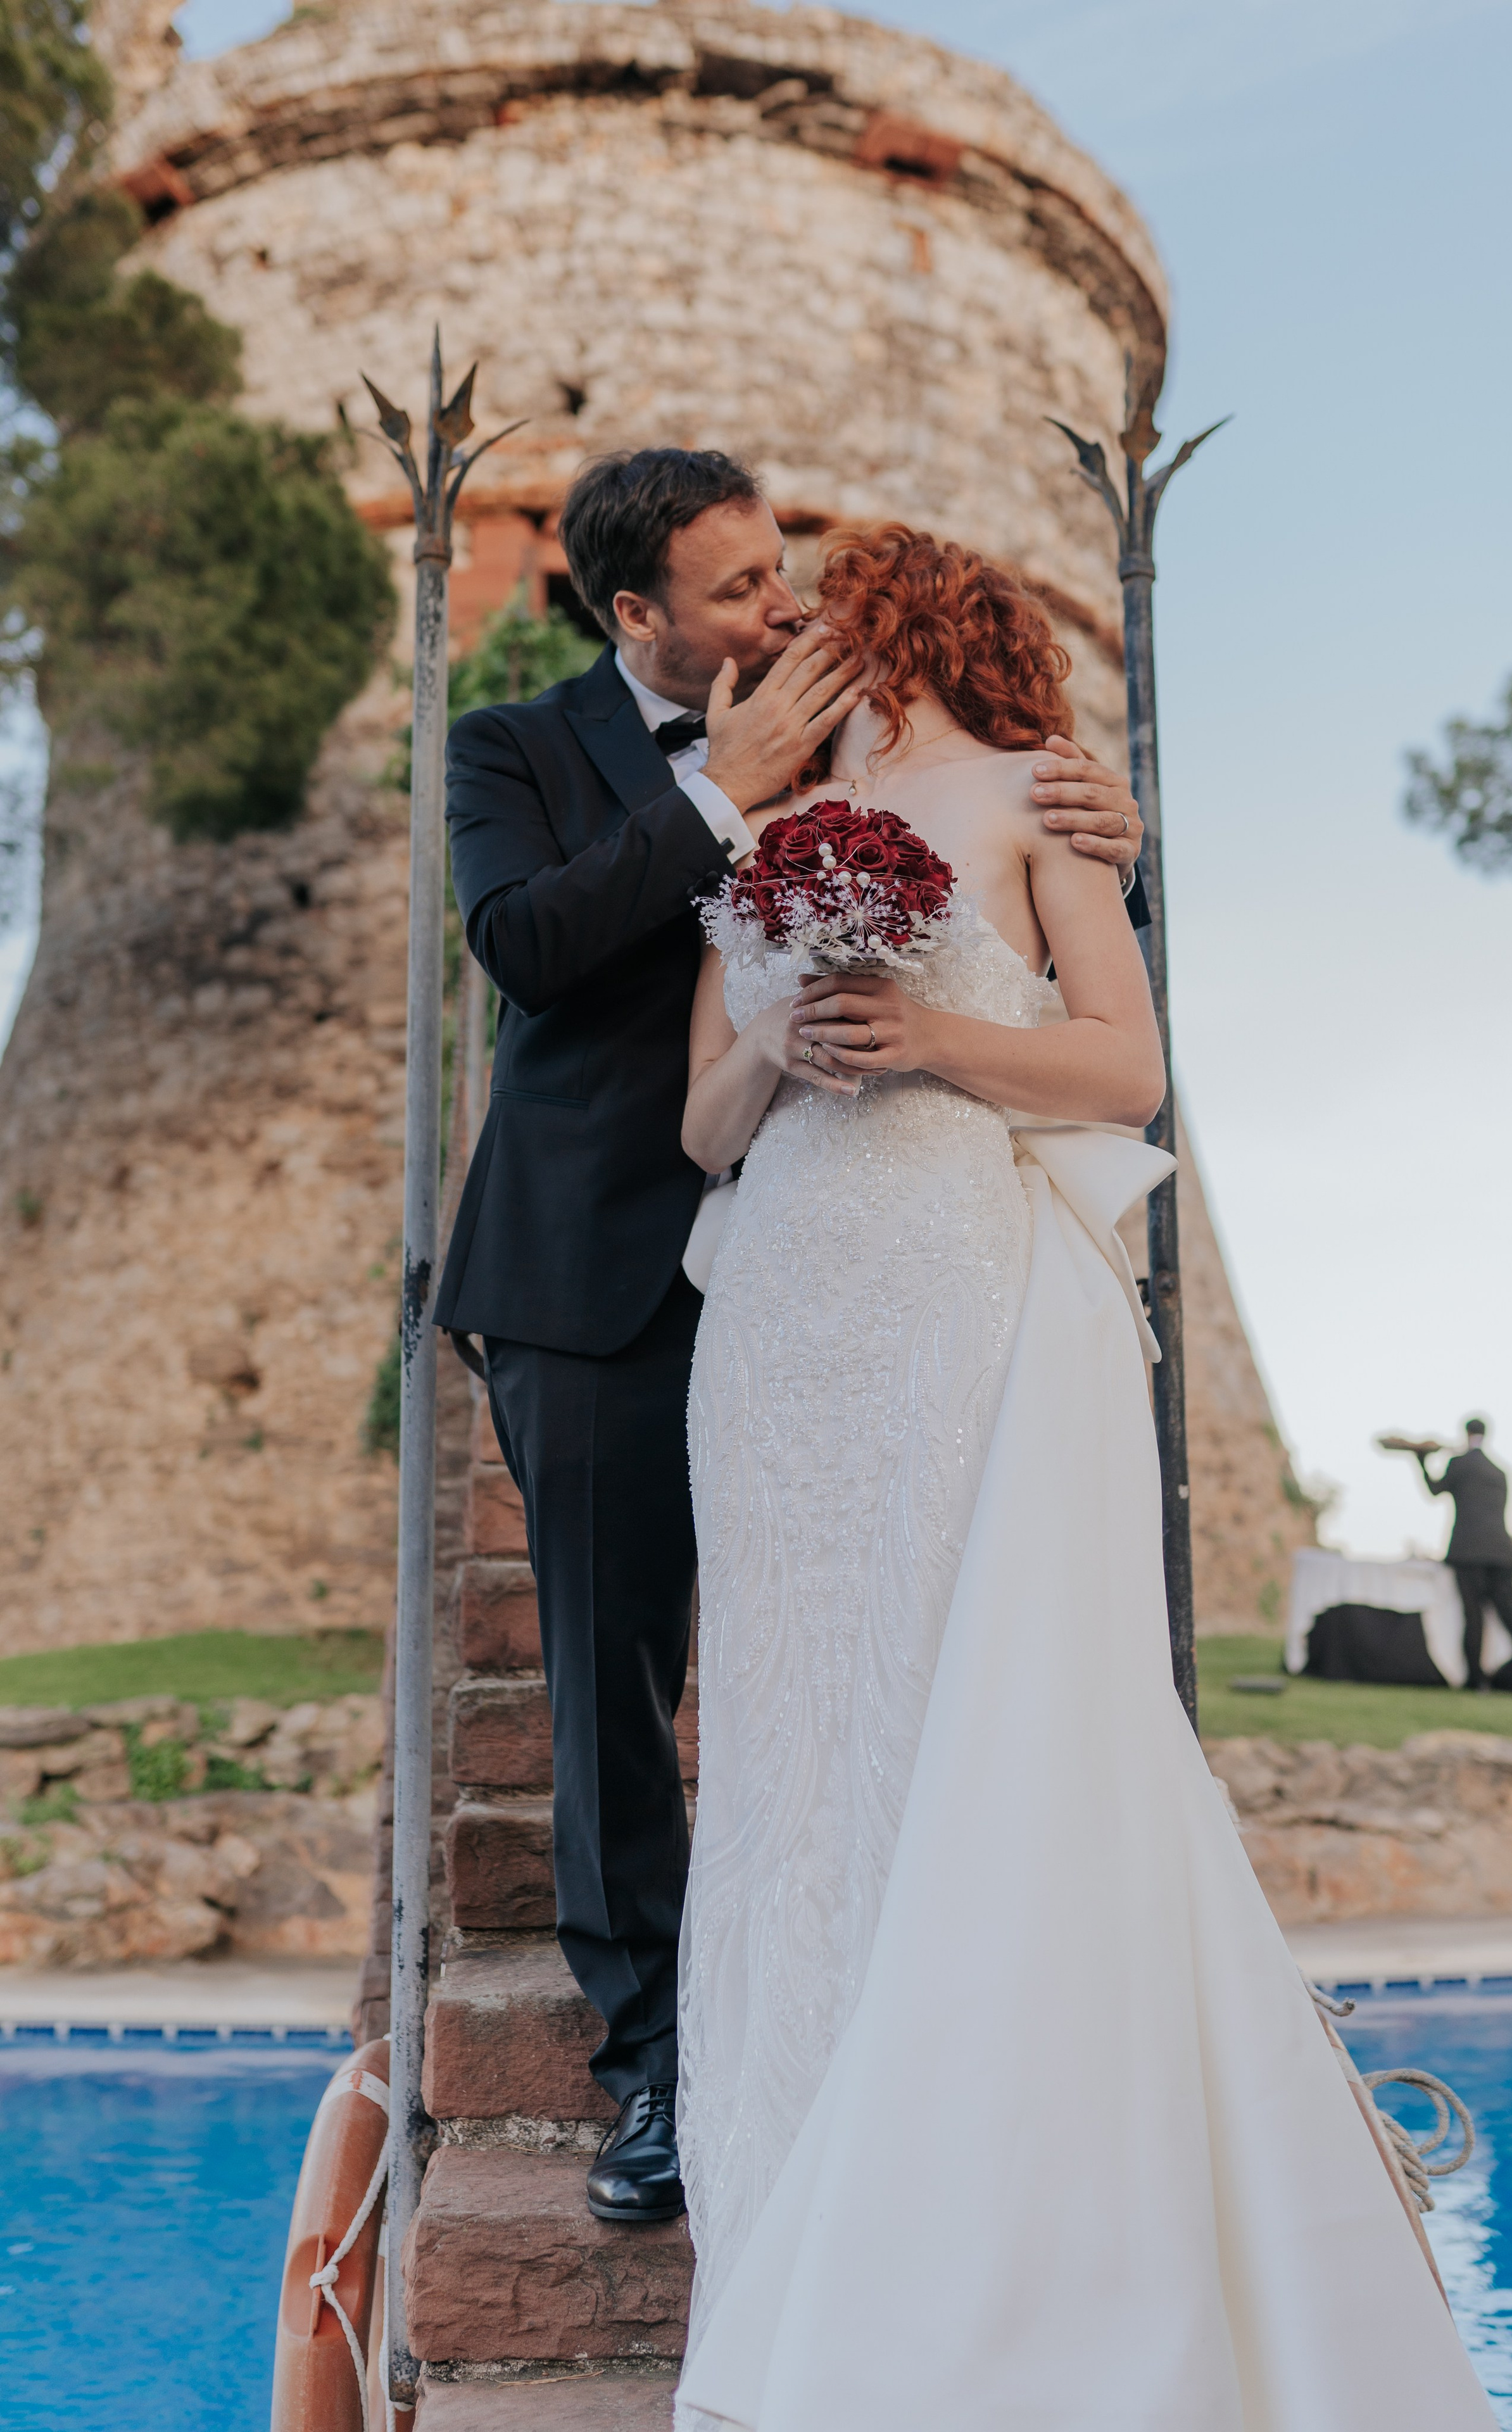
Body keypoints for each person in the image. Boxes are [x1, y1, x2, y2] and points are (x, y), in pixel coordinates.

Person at [673, 524, 1497, 2429]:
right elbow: (699, 1118)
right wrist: (782, 1038)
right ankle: (800, 2184)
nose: (797, 645)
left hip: (957, 1275)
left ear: (899, 625)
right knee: (807, 1747)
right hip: (785, 1306)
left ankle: (971, 2231)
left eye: (824, 619)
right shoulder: (764, 836)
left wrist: (929, 1033)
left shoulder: (1043, 804)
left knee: (982, 1711)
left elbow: (1125, 1073)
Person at [431, 450, 1146, 2224]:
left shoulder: (868, 753)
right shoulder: (511, 749)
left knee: (853, 1649)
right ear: (635, 616)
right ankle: (665, 2069)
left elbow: (1037, 940)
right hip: (595, 1274)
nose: (785, 609)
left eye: (785, 573)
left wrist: (1124, 839)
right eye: (743, 590)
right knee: (612, 1680)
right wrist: (717, 799)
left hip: (848, 1268)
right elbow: (523, 943)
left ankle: (949, 2010)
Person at [1409, 1418, 1512, 1693]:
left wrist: (1421, 1459)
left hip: (1469, 1552)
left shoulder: (1460, 1464)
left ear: (1467, 1432)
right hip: (1503, 1552)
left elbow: (1435, 1491)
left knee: (1474, 1617)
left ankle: (1477, 1680)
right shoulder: (1500, 1471)